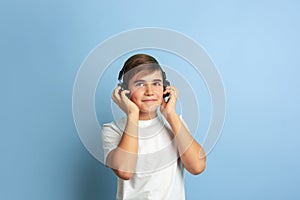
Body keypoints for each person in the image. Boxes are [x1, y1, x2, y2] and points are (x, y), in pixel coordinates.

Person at [102, 54, 206, 200]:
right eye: (140, 84)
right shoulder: (113, 130)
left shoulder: (175, 124)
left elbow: (197, 167)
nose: (150, 91)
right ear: (124, 91)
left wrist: (171, 115)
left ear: (165, 88)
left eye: (156, 83)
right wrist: (132, 114)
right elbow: (125, 172)